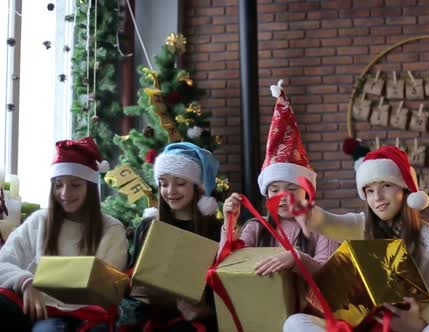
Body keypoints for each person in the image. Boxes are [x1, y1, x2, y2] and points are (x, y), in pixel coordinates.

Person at [283, 145, 429, 332]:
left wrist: (418, 324)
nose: (378, 198)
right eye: (370, 191)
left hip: (411, 325)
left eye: (386, 186)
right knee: (295, 323)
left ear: (405, 189)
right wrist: (308, 213)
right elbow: (329, 222)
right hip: (363, 325)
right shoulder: (362, 225)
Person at [0, 137, 128, 331]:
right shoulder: (40, 220)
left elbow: (105, 286)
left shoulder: (110, 229)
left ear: (91, 187)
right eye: (59, 184)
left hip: (78, 314)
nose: (65, 193)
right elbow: (3, 262)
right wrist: (25, 282)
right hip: (28, 306)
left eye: (75, 185)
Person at [221, 80, 337, 277]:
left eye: (291, 189)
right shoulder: (256, 229)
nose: (282, 196)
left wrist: (298, 259)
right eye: (274, 190)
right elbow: (229, 266)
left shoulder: (323, 228)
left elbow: (330, 274)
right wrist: (229, 221)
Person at [123, 142, 221, 331]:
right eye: (163, 183)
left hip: (194, 323)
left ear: (197, 186)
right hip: (150, 316)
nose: (170, 191)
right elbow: (133, 277)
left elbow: (224, 291)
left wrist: (206, 310)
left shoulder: (216, 231)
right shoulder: (148, 226)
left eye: (180, 183)